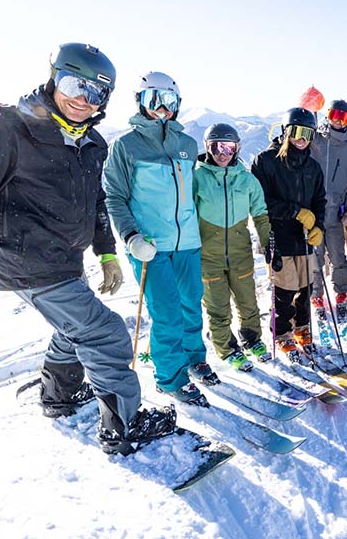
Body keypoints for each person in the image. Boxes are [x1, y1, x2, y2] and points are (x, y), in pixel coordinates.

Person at [0, 43, 176, 455]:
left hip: (65, 259)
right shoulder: (8, 128)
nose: (82, 99)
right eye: (73, 84)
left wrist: (107, 252)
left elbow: (95, 200)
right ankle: (124, 425)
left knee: (73, 328)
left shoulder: (92, 142)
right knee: (105, 332)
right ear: (53, 77)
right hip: (26, 260)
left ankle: (58, 397)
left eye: (95, 93)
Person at [104, 71, 214, 406]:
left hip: (188, 243)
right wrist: (131, 236)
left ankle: (194, 358)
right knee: (167, 313)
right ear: (140, 101)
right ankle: (170, 378)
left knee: (191, 305)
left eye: (169, 101)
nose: (162, 109)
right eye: (154, 100)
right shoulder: (126, 146)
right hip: (149, 246)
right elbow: (114, 197)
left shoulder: (187, 145)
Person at [193, 123, 271, 371]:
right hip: (209, 255)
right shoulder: (197, 178)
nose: (223, 153)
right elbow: (186, 215)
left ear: (237, 149)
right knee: (218, 307)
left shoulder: (247, 180)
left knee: (247, 301)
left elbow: (260, 214)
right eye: (216, 147)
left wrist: (268, 243)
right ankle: (227, 348)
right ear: (207, 148)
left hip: (240, 253)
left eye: (229, 147)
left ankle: (252, 339)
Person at [251, 108, 326, 360]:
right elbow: (260, 202)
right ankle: (281, 332)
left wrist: (319, 227)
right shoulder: (266, 161)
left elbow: (320, 201)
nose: (301, 139)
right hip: (278, 234)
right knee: (284, 288)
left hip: (303, 237)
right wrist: (295, 212)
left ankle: (301, 329)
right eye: (296, 132)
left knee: (305, 286)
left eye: (308, 133)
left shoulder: (313, 167)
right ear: (285, 131)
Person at [309, 99, 347, 317]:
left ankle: (341, 293)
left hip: (336, 216)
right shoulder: (315, 141)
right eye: (334, 115)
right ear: (327, 116)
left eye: (344, 117)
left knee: (338, 256)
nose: (338, 121)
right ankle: (316, 294)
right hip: (314, 214)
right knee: (315, 257)